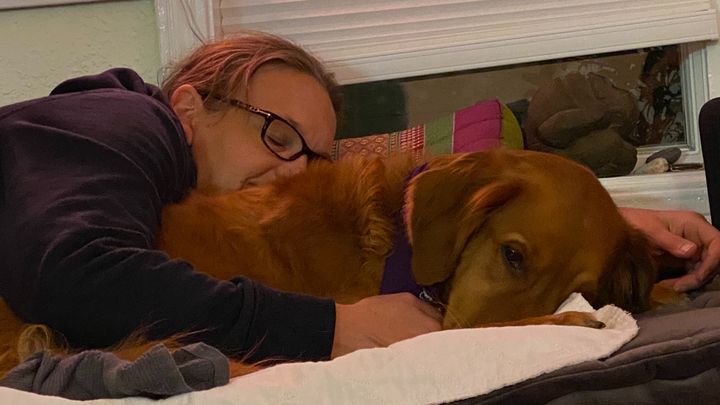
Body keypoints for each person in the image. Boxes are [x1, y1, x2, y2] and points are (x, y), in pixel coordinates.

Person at [0, 30, 718, 366]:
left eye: (316, 158)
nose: (294, 175)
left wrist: (612, 225)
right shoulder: (121, 119)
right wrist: (329, 327)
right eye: (279, 135)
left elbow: (435, 194)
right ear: (190, 104)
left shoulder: (164, 198)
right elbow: (74, 269)